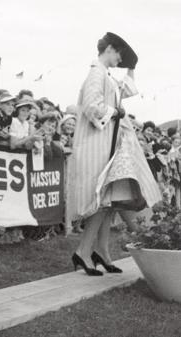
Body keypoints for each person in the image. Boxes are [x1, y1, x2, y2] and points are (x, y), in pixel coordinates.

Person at [68, 32, 161, 276]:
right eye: (120, 54)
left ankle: (99, 251)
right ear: (109, 48)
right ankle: (84, 251)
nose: (120, 60)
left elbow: (125, 90)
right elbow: (91, 106)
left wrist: (131, 66)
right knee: (104, 199)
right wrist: (116, 112)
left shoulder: (104, 74)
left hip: (106, 144)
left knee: (109, 200)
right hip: (96, 144)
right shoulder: (96, 72)